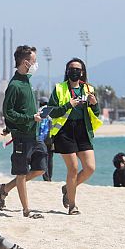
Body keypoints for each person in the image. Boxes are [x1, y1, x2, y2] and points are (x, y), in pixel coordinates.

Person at [0, 45, 47, 219]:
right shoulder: (14, 85)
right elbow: (8, 111)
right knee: (21, 173)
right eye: (34, 61)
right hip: (22, 137)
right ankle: (26, 210)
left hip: (35, 134)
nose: (35, 64)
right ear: (25, 62)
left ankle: (4, 188)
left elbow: (22, 108)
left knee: (40, 169)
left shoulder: (27, 80)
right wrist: (29, 118)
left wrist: (36, 116)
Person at [47, 58, 102, 215]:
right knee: (73, 168)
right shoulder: (59, 88)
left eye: (78, 69)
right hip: (64, 131)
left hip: (82, 130)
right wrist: (68, 105)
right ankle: (72, 205)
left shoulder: (89, 89)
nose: (75, 71)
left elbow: (96, 113)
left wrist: (94, 104)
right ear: (67, 71)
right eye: (72, 69)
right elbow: (52, 111)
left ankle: (68, 188)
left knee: (90, 168)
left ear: (82, 72)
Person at [39, 98, 55, 182]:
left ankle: (45, 177)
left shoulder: (40, 111)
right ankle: (50, 177)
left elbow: (40, 126)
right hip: (51, 137)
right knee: (50, 157)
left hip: (42, 138)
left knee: (43, 157)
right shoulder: (51, 111)